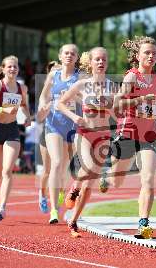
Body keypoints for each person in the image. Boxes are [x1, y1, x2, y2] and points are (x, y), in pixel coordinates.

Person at [100, 36, 156, 239]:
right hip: (127, 132)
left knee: (148, 179)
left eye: (154, 53)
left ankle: (143, 224)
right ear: (138, 56)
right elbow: (117, 105)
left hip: (149, 135)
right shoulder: (131, 77)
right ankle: (106, 175)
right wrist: (142, 99)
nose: (151, 56)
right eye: (147, 53)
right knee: (117, 180)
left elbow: (154, 108)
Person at [58, 46, 114, 237]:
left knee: (89, 184)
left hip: (103, 135)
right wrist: (74, 118)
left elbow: (117, 111)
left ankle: (74, 220)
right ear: (90, 63)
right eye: (97, 59)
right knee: (89, 170)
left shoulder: (112, 86)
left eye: (104, 59)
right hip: (85, 133)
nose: (100, 62)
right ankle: (75, 187)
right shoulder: (82, 85)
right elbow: (60, 104)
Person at [0, 55, 31, 221]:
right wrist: (2, 110)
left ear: (18, 69)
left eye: (15, 67)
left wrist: (28, 117)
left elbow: (24, 104)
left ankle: (2, 208)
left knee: (7, 170)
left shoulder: (21, 87)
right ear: (3, 69)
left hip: (12, 130)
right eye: (9, 66)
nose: (12, 69)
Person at [38, 44, 81, 224]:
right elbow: (43, 95)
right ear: (60, 56)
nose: (69, 56)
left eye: (72, 53)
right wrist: (43, 105)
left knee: (67, 168)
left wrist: (74, 98)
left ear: (77, 58)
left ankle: (66, 196)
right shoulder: (53, 75)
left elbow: (87, 100)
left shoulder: (81, 78)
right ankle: (54, 210)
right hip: (53, 125)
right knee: (56, 163)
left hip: (72, 126)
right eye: (66, 53)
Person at [36, 61, 61, 214]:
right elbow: (39, 116)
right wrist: (47, 107)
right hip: (48, 132)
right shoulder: (46, 93)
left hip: (65, 133)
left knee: (62, 168)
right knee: (48, 169)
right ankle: (42, 194)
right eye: (54, 71)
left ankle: (59, 194)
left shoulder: (68, 90)